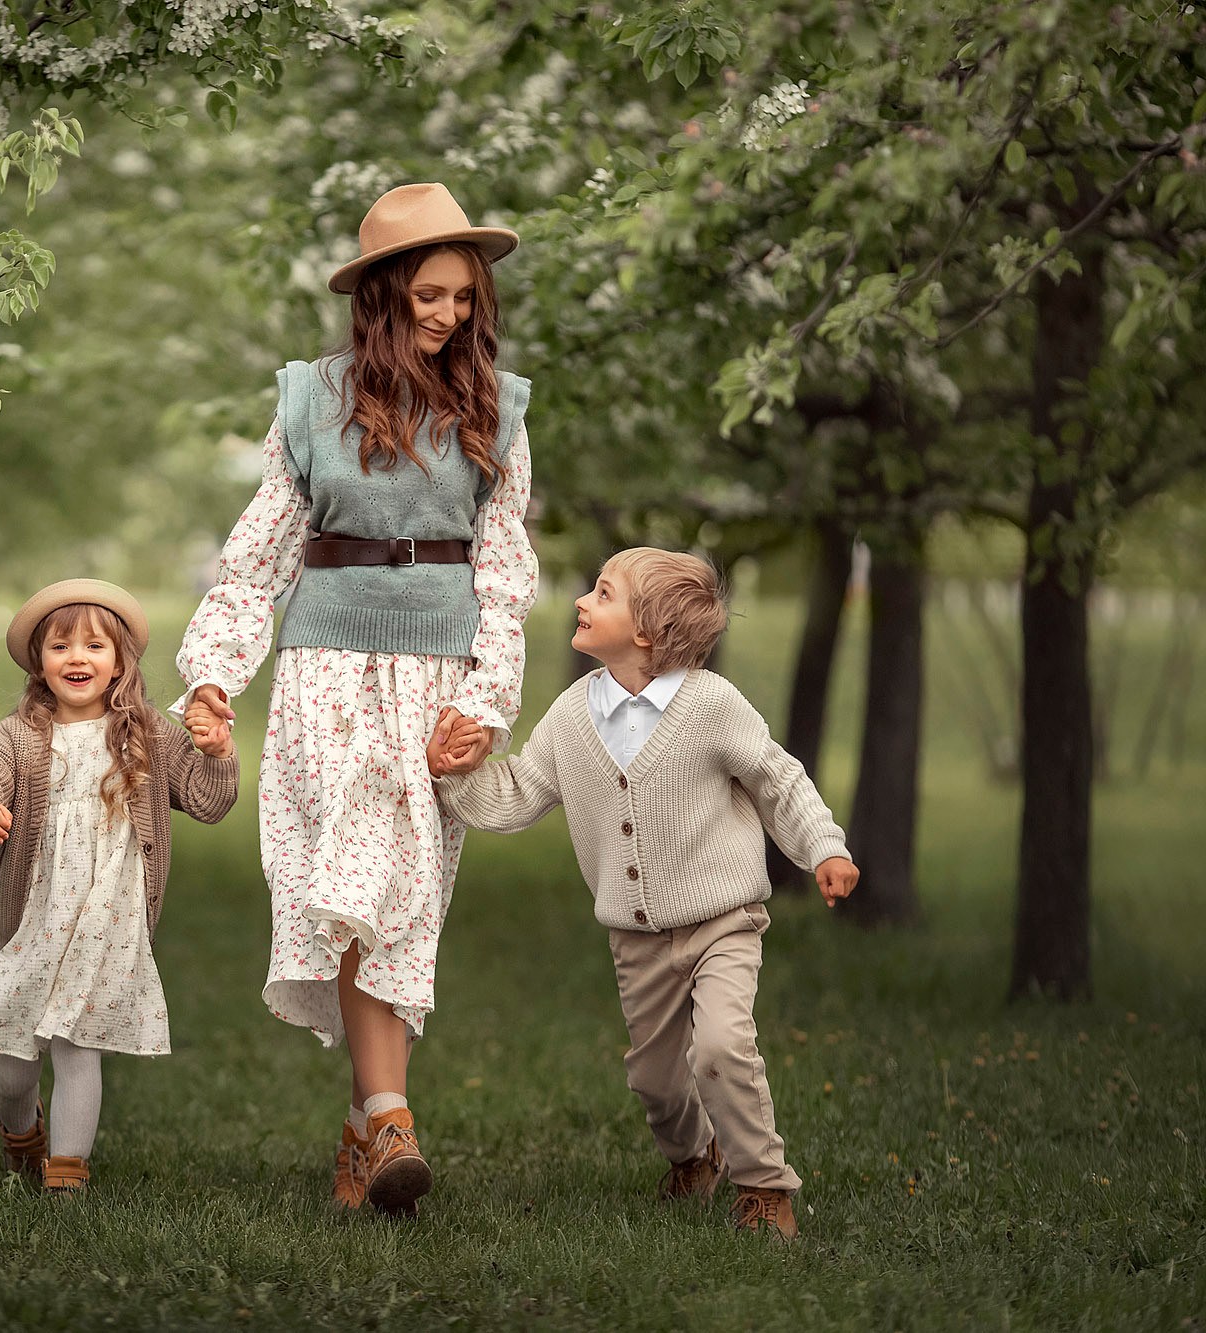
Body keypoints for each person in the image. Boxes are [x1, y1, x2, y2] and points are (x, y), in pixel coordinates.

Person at [176, 183, 539, 1215]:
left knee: (399, 902)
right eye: (429, 294)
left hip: (434, 680)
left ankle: (359, 1132)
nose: (449, 316)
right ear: (381, 294)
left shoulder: (495, 408)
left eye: (463, 299)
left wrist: (488, 699)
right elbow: (256, 560)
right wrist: (212, 677)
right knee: (347, 885)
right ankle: (390, 1119)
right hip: (326, 671)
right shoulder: (309, 399)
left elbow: (505, 573)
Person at [431, 548, 860, 1240]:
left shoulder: (712, 703)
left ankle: (764, 1185)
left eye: (603, 593)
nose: (583, 600)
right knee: (658, 1082)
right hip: (635, 935)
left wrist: (825, 848)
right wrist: (454, 776)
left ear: (646, 633)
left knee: (721, 1048)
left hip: (723, 918)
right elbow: (516, 794)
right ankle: (697, 1155)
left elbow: (778, 778)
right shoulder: (574, 714)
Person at [0, 578, 239, 1194]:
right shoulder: (19, 737)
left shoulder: (148, 736)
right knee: (10, 1064)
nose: (77, 658)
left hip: (110, 920)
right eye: (60, 647)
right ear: (39, 661)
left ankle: (67, 1174)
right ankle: (20, 1130)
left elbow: (210, 803)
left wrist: (216, 750)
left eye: (93, 646)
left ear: (119, 663)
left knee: (78, 1045)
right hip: (36, 919)